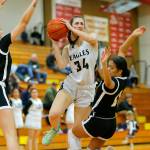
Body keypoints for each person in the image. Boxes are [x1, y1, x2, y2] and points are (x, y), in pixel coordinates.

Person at [66, 26, 146, 150]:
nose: (108, 69)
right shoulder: (123, 78)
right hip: (110, 124)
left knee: (73, 133)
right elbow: (123, 50)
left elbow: (107, 81)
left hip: (98, 121)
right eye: (108, 66)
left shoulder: (113, 83)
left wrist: (103, 63)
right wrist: (133, 35)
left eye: (111, 67)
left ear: (119, 71)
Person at [42, 16, 99, 145]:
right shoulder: (68, 48)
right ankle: (55, 129)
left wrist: (71, 27)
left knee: (77, 130)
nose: (79, 25)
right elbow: (61, 65)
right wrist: (55, 45)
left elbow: (92, 38)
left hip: (87, 89)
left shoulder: (91, 41)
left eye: (81, 23)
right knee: (53, 114)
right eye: (76, 23)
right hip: (71, 84)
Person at [0, 0, 37, 149]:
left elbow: (22, 24)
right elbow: (23, 24)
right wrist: (34, 3)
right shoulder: (2, 44)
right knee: (10, 134)